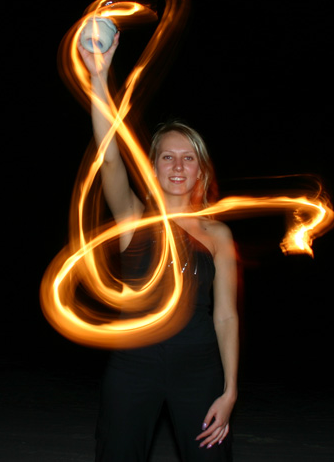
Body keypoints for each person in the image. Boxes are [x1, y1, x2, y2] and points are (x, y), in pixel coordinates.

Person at [79, 30, 239, 461]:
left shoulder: (218, 235)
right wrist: (99, 77)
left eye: (188, 157)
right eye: (168, 156)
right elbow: (109, 156)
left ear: (201, 169)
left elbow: (225, 316)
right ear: (152, 167)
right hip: (133, 368)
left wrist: (230, 391)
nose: (178, 166)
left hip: (199, 370)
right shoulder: (133, 218)